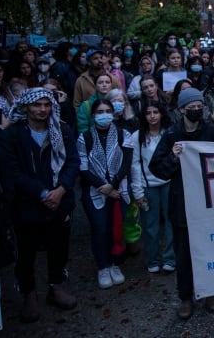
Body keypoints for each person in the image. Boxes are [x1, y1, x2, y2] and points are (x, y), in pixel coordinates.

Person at [0, 88, 80, 322]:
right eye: (37, 105)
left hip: (60, 202)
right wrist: (43, 192)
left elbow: (72, 161)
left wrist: (61, 189)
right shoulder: (11, 136)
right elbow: (10, 171)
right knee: (26, 251)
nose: (42, 110)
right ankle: (29, 294)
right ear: (25, 108)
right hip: (26, 205)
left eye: (46, 105)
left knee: (59, 247)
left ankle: (56, 286)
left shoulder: (61, 130)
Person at [149, 88, 214, 319]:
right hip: (182, 202)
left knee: (210, 247)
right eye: (192, 107)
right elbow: (156, 169)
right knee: (184, 253)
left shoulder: (211, 131)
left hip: (209, 200)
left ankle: (211, 291)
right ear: (182, 109)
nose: (197, 109)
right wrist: (173, 158)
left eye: (200, 105)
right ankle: (185, 297)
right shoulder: (171, 135)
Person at [77, 99, 134, 290]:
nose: (104, 114)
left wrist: (113, 184)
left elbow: (126, 162)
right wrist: (103, 186)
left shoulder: (122, 134)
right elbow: (83, 168)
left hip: (119, 189)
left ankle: (115, 263)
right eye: (100, 111)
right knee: (100, 228)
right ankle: (103, 266)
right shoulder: (84, 138)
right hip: (96, 191)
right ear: (93, 116)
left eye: (108, 110)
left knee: (115, 226)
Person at [130, 101, 175, 274]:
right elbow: (134, 164)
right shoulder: (137, 137)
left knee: (171, 222)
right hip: (148, 185)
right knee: (150, 225)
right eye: (148, 113)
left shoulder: (169, 134)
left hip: (168, 183)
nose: (152, 116)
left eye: (156, 112)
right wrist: (138, 191)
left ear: (162, 114)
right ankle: (153, 259)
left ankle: (171, 258)